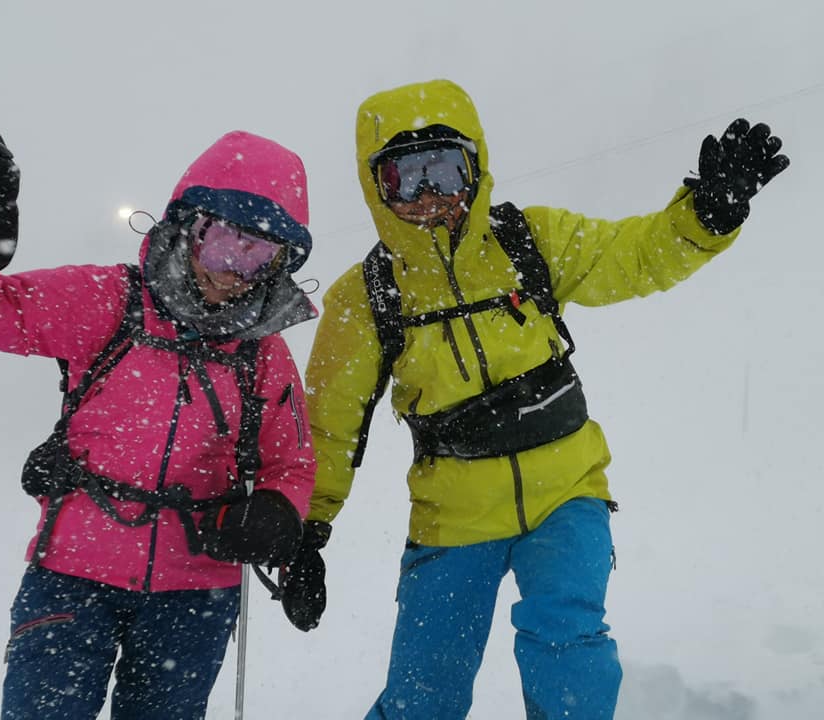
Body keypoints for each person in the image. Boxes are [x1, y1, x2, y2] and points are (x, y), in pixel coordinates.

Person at [279, 79, 789, 719]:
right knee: (425, 689)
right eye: (404, 178)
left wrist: (703, 216)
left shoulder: (528, 242)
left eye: (444, 168)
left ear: (475, 166)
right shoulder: (368, 296)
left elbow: (634, 256)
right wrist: (306, 530)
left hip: (566, 490)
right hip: (453, 513)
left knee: (568, 643)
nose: (428, 195)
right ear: (376, 186)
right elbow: (329, 426)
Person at [0, 105, 318, 720]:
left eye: (257, 250)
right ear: (187, 227)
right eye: (221, 239)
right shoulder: (109, 300)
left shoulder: (264, 356)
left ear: (279, 263)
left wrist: (276, 512)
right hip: (72, 572)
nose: (234, 267)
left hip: (196, 591)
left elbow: (290, 463)